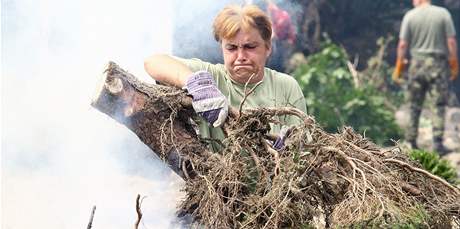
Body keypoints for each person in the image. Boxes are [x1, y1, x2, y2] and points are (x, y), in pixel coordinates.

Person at [144, 4, 307, 152]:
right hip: (219, 183)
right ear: (222, 48)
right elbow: (154, 62)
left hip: (276, 182)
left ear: (268, 48)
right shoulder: (212, 76)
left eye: (250, 47)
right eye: (231, 48)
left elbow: (304, 147)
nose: (241, 56)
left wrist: (292, 148)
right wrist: (196, 84)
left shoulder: (286, 86)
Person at [392, 0, 458, 155]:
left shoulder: (410, 16)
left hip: (416, 66)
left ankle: (411, 142)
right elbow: (451, 41)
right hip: (437, 65)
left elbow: (402, 44)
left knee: (414, 105)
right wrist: (454, 62)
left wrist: (399, 67)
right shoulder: (443, 14)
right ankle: (437, 145)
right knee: (438, 105)